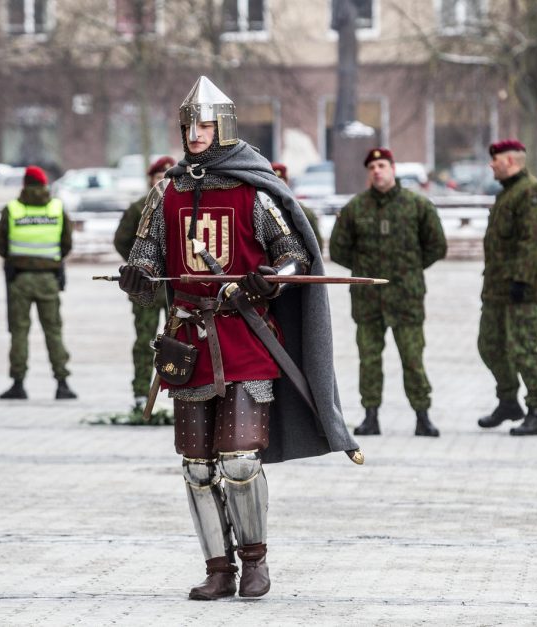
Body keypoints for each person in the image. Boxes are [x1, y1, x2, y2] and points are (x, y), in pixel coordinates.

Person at [117, 76, 361, 601]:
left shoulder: (253, 190)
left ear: (223, 127)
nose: (195, 133)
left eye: (204, 124)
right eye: (189, 125)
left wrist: (267, 276)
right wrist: (136, 276)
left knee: (240, 461)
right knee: (198, 467)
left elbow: (293, 252)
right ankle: (217, 568)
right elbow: (146, 258)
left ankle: (255, 562)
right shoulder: (168, 191)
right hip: (188, 341)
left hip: (246, 339)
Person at [329, 148, 446, 436]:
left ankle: (422, 415)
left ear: (393, 168)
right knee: (369, 359)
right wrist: (364, 269)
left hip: (406, 298)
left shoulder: (417, 205)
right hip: (368, 300)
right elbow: (338, 250)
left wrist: (410, 269)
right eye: (371, 167)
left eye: (382, 165)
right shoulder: (356, 208)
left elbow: (436, 246)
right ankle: (370, 415)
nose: (377, 171)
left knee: (413, 358)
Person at [477, 139, 537, 436]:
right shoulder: (507, 194)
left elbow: (533, 242)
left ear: (509, 161)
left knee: (523, 350)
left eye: (495, 160)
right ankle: (508, 401)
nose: (491, 165)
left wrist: (521, 281)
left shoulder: (532, 193)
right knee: (489, 345)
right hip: (497, 289)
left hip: (521, 290)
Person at [0, 165, 76, 401]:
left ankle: (18, 384)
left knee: (19, 332)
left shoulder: (13, 209)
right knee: (53, 331)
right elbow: (67, 242)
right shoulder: (57, 208)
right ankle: (62, 383)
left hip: (19, 278)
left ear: (25, 185)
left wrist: (14, 257)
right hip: (49, 278)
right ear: (44, 185)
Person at [113, 155, 174, 409]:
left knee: (179, 343)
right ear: (151, 179)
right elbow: (121, 240)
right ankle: (140, 393)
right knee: (143, 342)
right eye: (160, 177)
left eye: (169, 178)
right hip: (147, 289)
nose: (164, 182)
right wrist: (139, 265)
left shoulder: (182, 206)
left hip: (174, 288)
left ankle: (181, 393)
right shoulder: (139, 208)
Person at [270, 162, 323, 255]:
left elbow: (317, 247)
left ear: (287, 182)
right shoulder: (258, 209)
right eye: (274, 181)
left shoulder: (303, 212)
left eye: (281, 181)